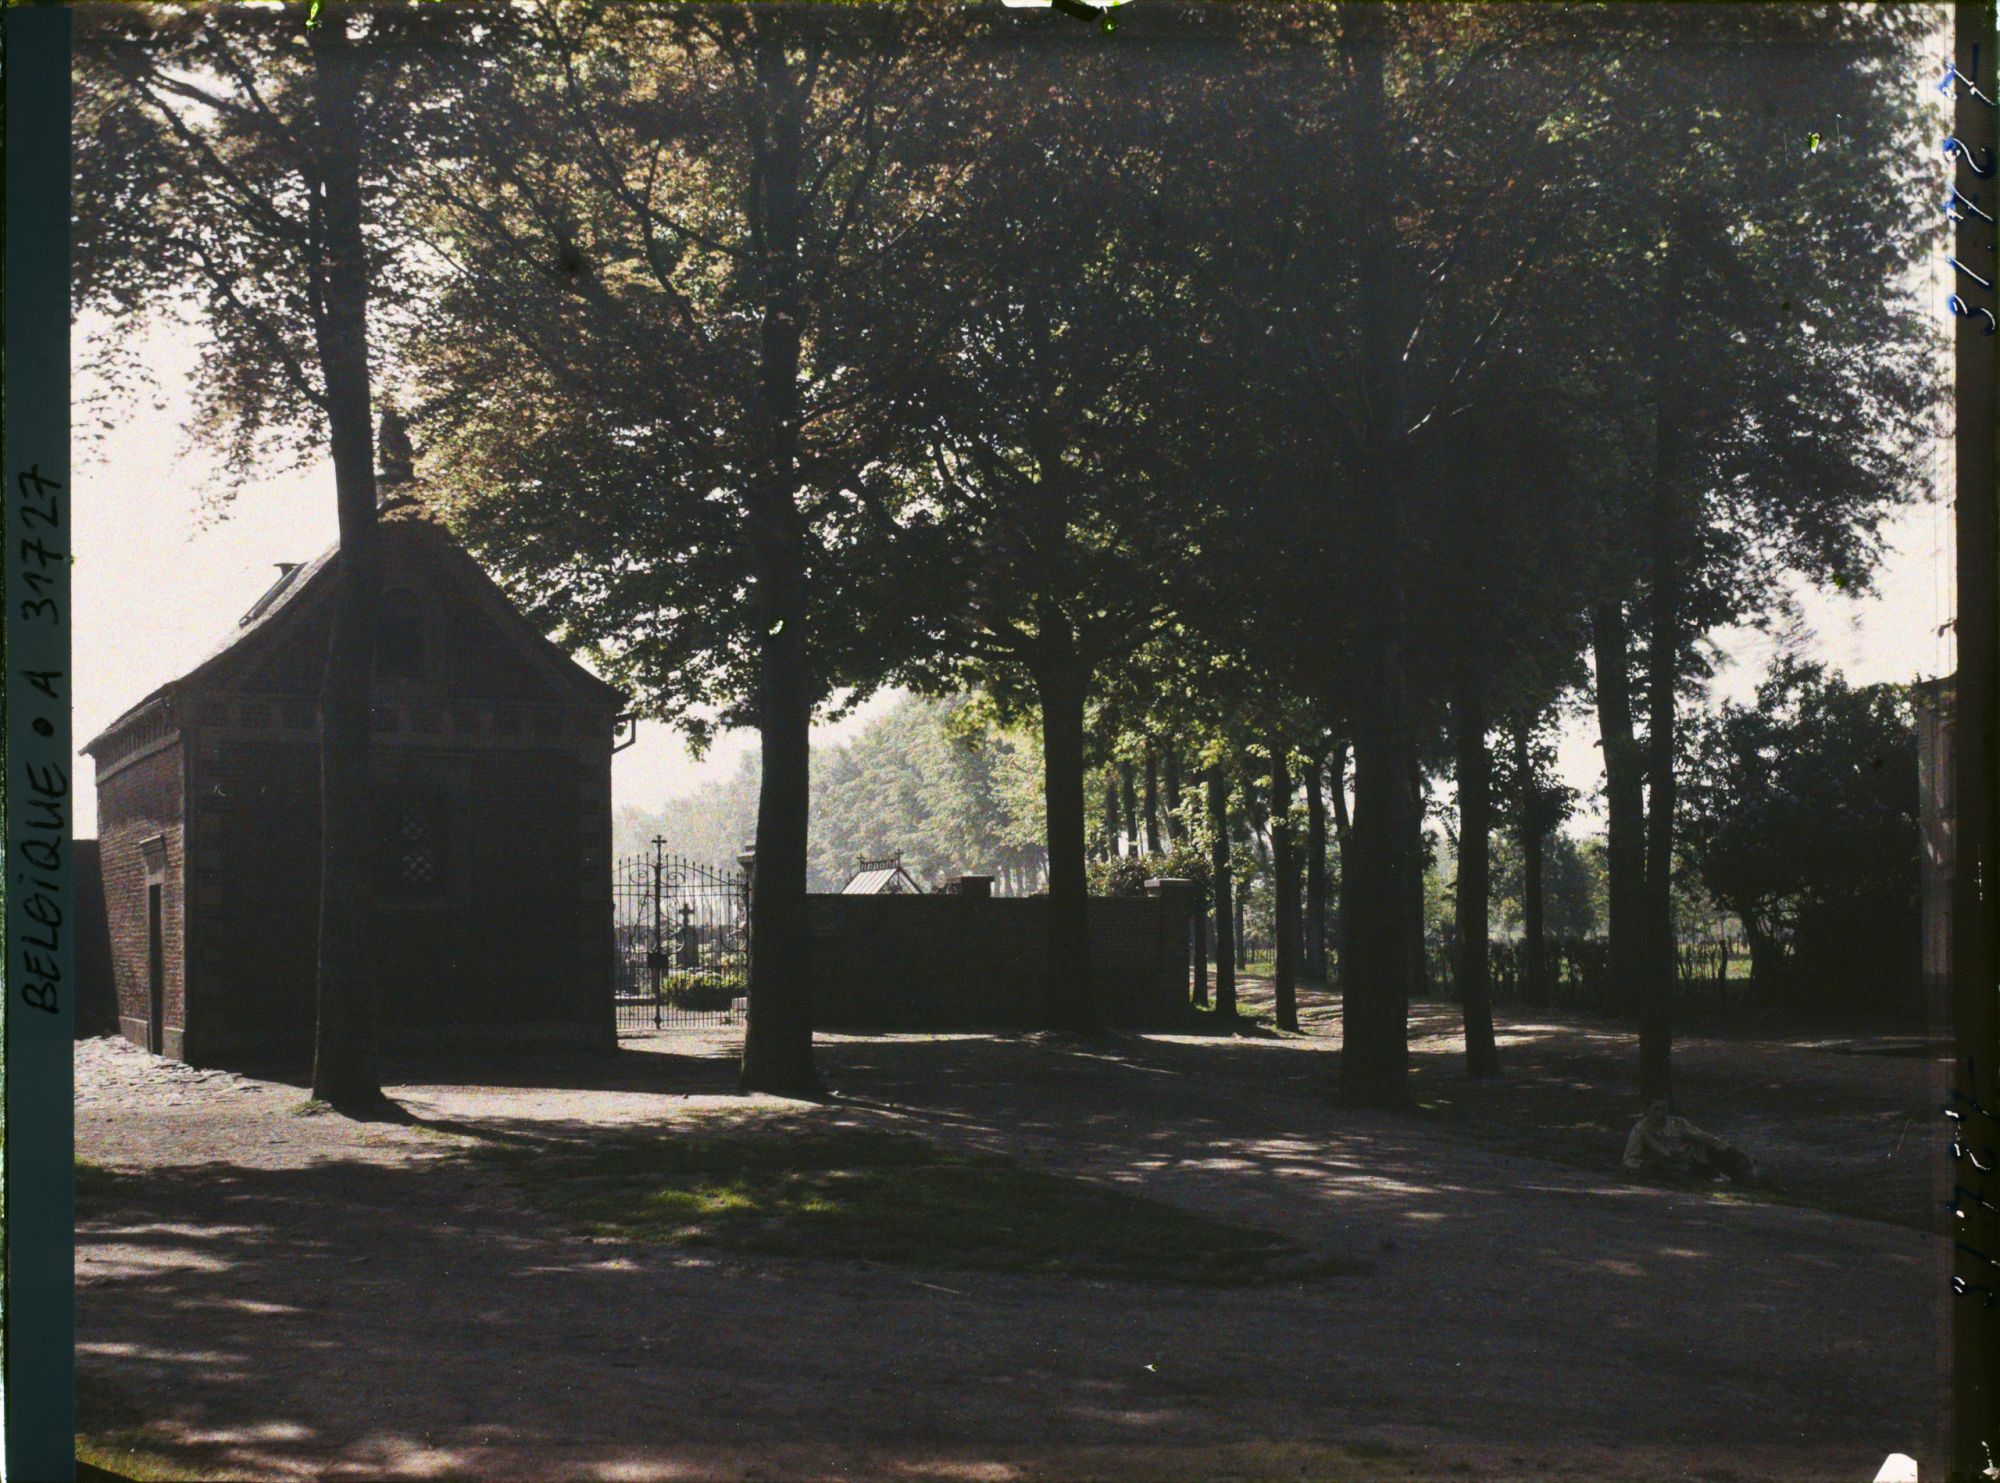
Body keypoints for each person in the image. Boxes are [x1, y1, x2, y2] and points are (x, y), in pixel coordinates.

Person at [1622, 1099, 1760, 1184]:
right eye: (1656, 1109)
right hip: (1672, 1166)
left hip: (1691, 1158)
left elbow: (1703, 1136)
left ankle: (1747, 1174)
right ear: (1646, 1111)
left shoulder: (1677, 1123)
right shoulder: (1641, 1130)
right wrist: (1645, 1166)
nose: (1661, 1113)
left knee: (1725, 1157)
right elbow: (1629, 1158)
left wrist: (1729, 1148)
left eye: (1664, 1109)